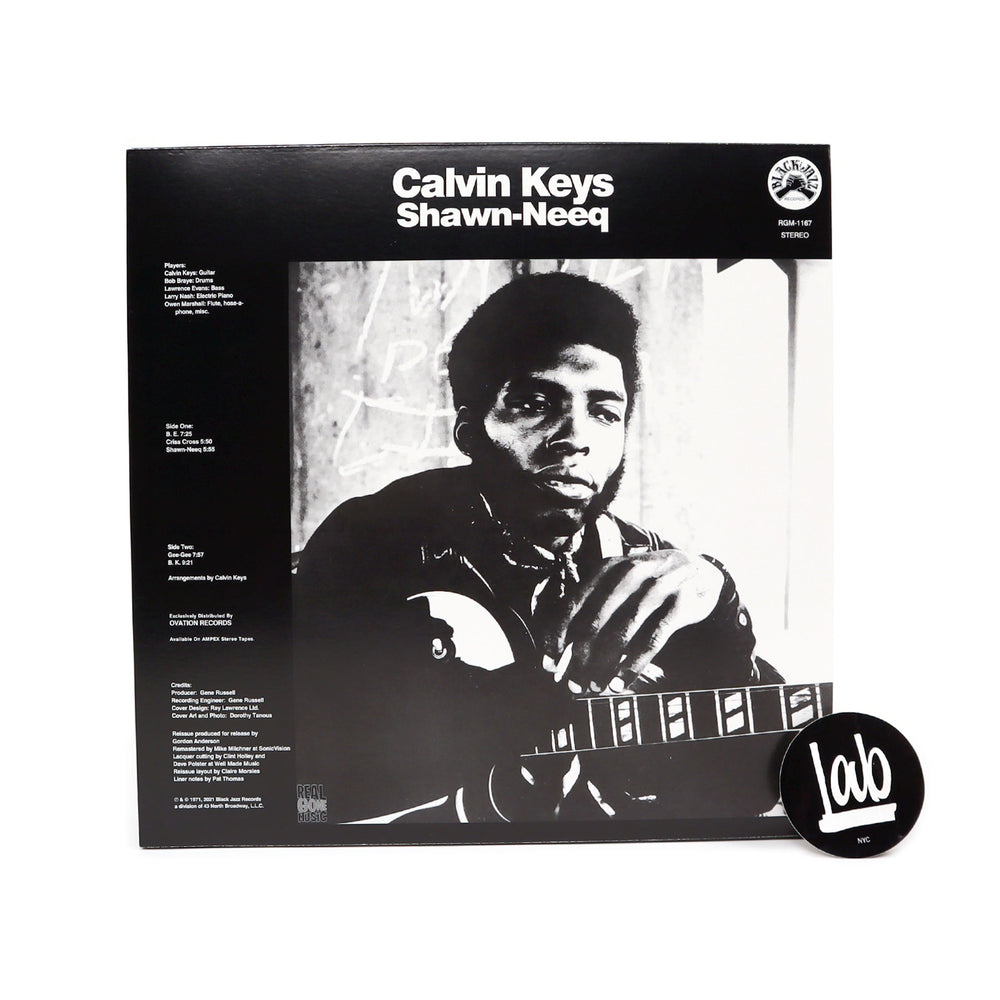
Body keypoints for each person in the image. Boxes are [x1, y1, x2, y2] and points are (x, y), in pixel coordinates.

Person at [294, 271, 782, 824]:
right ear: (470, 430)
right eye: (534, 403)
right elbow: (306, 794)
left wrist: (722, 612)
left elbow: (754, 783)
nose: (576, 438)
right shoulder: (375, 541)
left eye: (604, 412)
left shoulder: (647, 569)